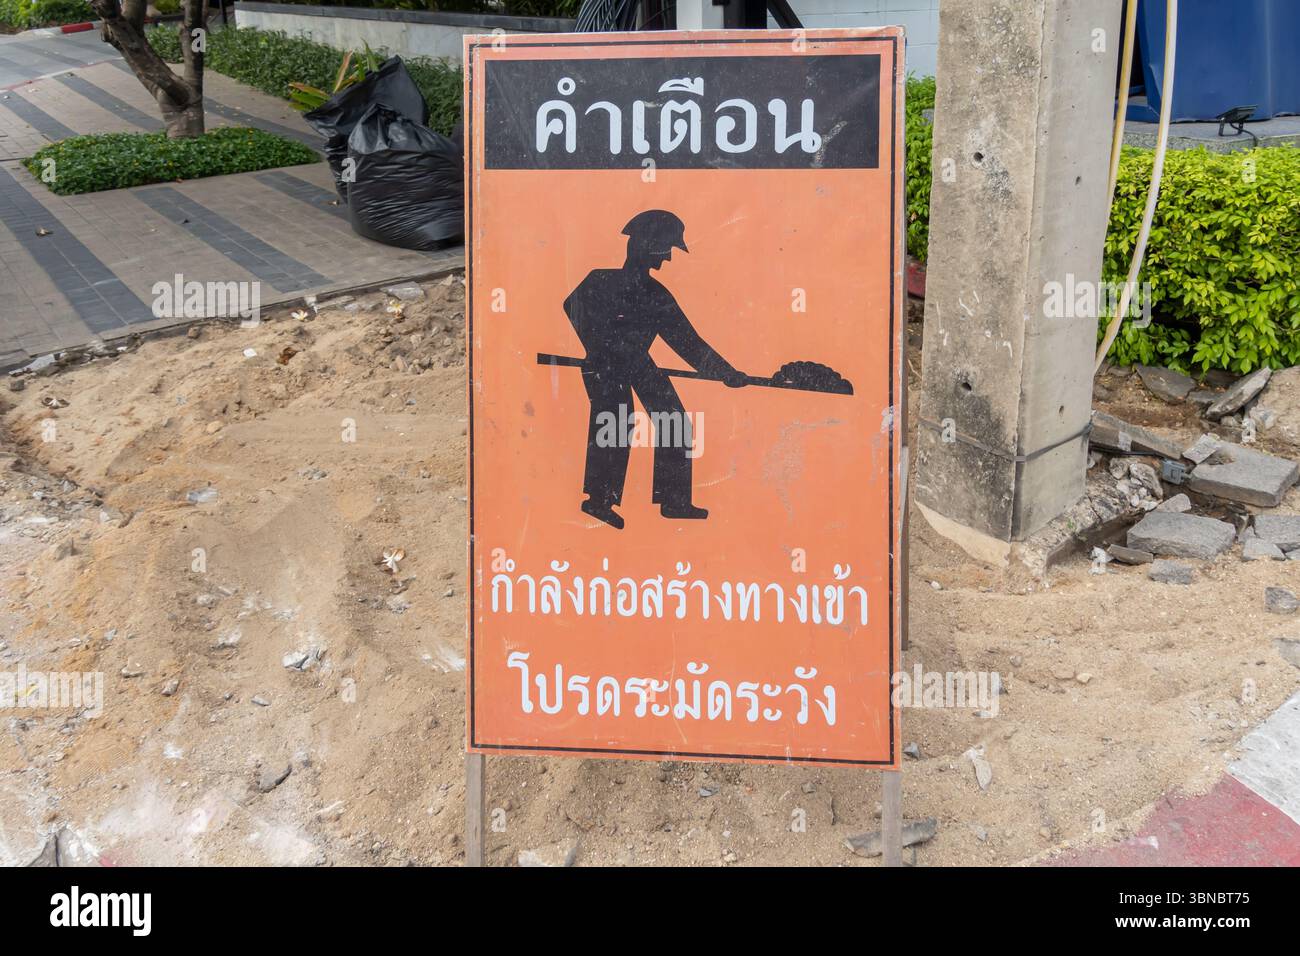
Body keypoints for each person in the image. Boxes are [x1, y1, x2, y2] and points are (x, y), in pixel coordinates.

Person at [562, 210, 745, 529]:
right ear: (644, 246)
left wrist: (725, 372)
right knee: (615, 421)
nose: (667, 259)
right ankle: (600, 501)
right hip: (604, 363)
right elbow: (572, 306)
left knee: (674, 420)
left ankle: (674, 502)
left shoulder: (657, 295)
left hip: (637, 361)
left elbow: (689, 344)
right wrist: (600, 346)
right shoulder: (599, 279)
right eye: (665, 250)